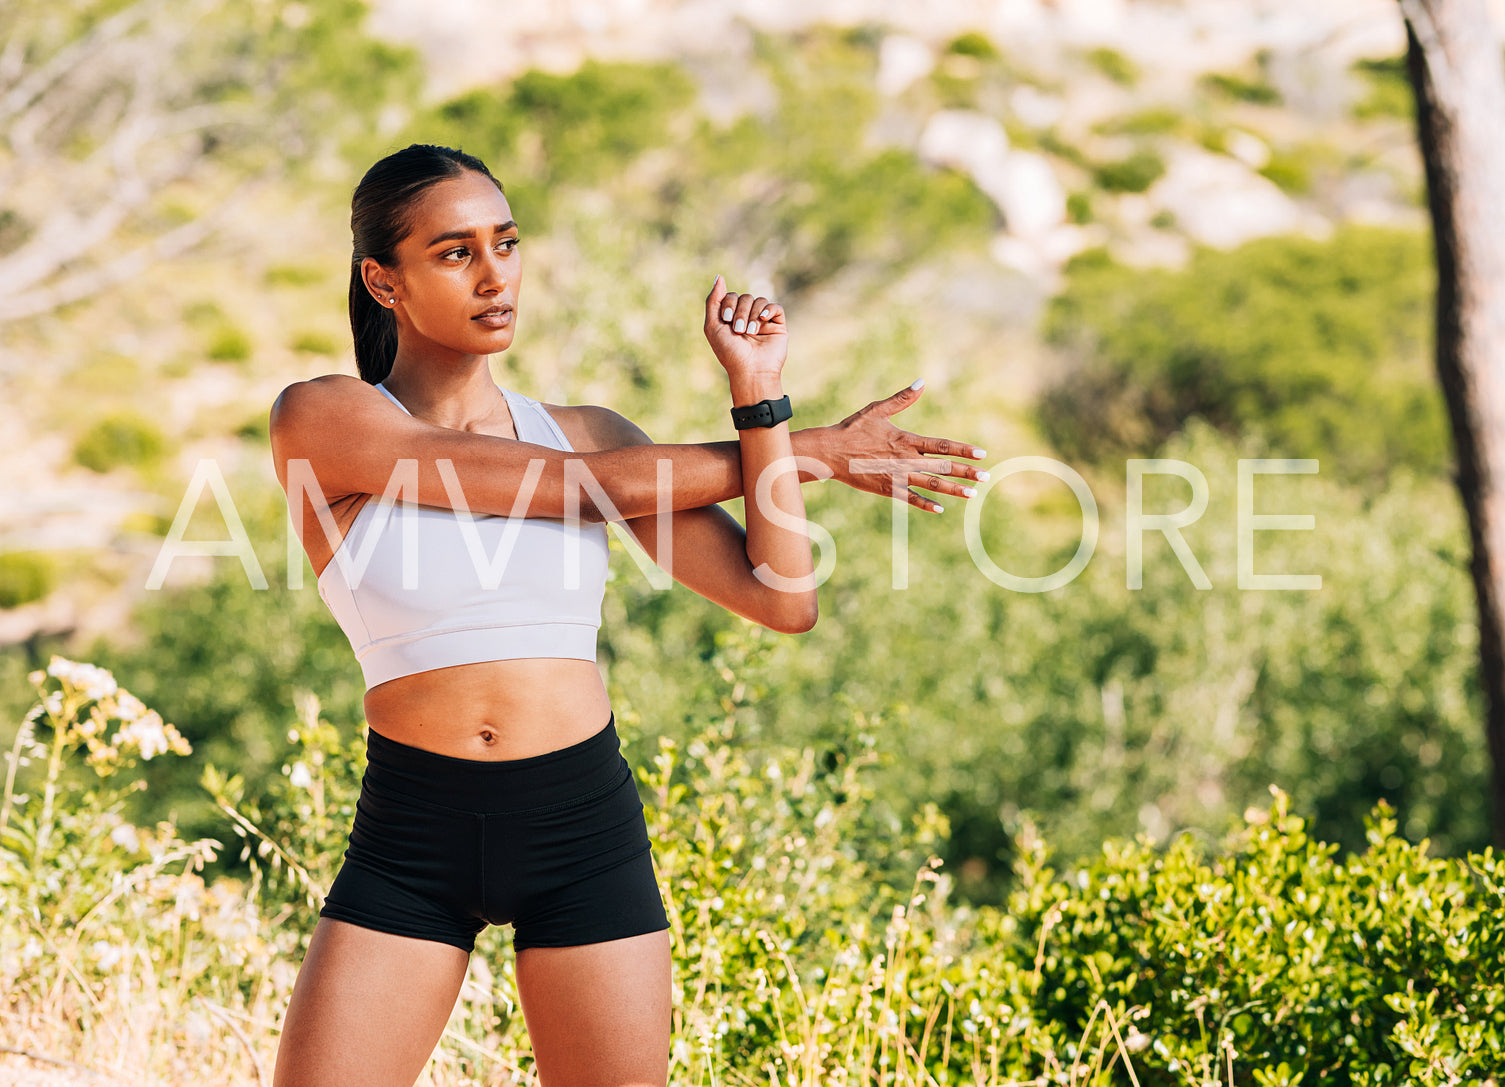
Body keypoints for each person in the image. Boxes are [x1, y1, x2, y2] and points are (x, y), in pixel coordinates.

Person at [267, 143, 987, 1087]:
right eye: (455, 252)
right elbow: (575, 490)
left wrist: (756, 395)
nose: (495, 275)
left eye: (507, 242)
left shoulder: (591, 427)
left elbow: (783, 598)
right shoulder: (328, 420)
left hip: (580, 827)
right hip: (414, 832)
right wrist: (806, 450)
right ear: (382, 279)